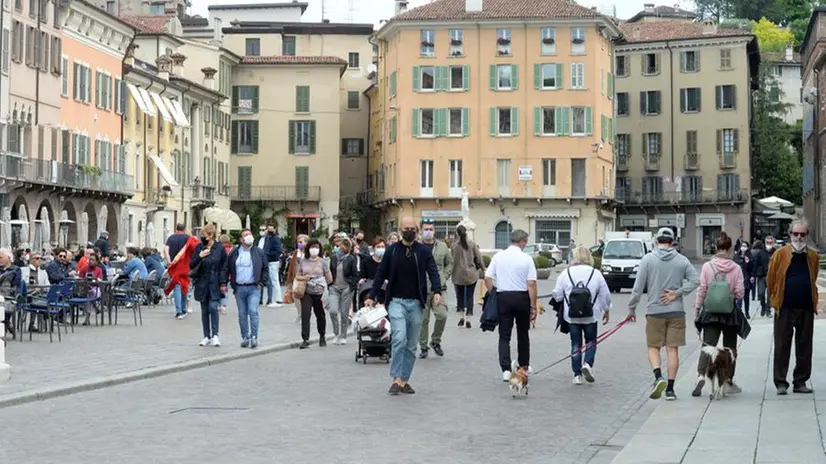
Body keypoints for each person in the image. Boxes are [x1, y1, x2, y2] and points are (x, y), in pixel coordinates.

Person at [364, 217, 442, 395]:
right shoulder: (392, 251)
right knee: (399, 338)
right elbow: (381, 273)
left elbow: (433, 271)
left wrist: (437, 291)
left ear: (417, 231)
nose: (409, 231)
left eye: (412, 228)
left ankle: (404, 380)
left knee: (412, 345)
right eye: (406, 228)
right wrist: (372, 295)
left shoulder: (423, 251)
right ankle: (396, 378)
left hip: (416, 303)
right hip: (396, 302)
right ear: (400, 230)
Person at [627, 227, 700, 401]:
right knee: (672, 349)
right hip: (676, 310)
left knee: (653, 347)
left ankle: (658, 376)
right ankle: (670, 390)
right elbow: (696, 280)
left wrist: (632, 309)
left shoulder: (647, 260)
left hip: (655, 310)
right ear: (673, 241)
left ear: (656, 240)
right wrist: (677, 293)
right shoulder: (682, 260)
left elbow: (637, 288)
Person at [692, 232, 747, 397]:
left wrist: (697, 309)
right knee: (730, 348)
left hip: (710, 313)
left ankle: (701, 375)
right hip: (729, 314)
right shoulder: (736, 268)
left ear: (716, 248)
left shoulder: (707, 267)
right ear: (730, 249)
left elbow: (702, 289)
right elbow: (740, 293)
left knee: (708, 346)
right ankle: (728, 380)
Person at [768, 218, 819, 395]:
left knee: (805, 346)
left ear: (807, 235)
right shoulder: (780, 254)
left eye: (802, 234)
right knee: (782, 345)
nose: (798, 237)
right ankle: (781, 382)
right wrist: (774, 299)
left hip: (805, 306)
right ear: (790, 234)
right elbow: (771, 278)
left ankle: (800, 381)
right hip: (785, 306)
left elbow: (814, 276)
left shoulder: (812, 256)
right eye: (795, 234)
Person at [553, 246, 612, 385]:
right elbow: (606, 295)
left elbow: (557, 295)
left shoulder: (565, 273)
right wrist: (606, 310)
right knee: (591, 341)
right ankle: (588, 363)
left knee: (575, 343)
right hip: (591, 315)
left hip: (572, 315)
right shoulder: (596, 273)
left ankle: (577, 375)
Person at [485, 229, 537, 383]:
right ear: (522, 241)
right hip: (521, 297)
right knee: (523, 333)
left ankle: (506, 369)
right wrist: (533, 306)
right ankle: (523, 366)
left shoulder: (498, 256)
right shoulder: (527, 258)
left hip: (504, 297)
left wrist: (493, 292)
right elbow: (531, 283)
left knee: (504, 335)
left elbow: (487, 277)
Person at [222, 228, 269, 349]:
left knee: (253, 311)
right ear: (241, 239)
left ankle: (254, 337)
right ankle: (245, 337)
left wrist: (262, 283)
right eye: (245, 235)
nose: (248, 236)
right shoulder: (234, 252)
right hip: (239, 287)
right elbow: (227, 268)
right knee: (242, 314)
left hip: (254, 287)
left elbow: (265, 268)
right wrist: (224, 283)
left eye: (250, 234)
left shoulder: (259, 252)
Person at [418, 219, 452, 358]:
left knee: (442, 315)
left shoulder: (442, 247)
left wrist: (444, 275)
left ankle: (436, 341)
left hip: (439, 288)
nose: (428, 232)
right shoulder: (416, 247)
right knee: (423, 320)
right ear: (421, 231)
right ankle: (423, 346)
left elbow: (450, 263)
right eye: (426, 229)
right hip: (421, 288)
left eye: (431, 229)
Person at [190, 224, 228, 347]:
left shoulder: (219, 248)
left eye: (204, 236)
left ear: (211, 235)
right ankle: (206, 336)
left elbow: (224, 267)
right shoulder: (199, 247)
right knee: (204, 310)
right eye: (202, 236)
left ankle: (215, 335)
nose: (202, 238)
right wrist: (200, 256)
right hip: (202, 282)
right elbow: (191, 264)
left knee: (213, 307)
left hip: (215, 282)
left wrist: (223, 283)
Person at [296, 239, 332, 349]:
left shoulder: (323, 262)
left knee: (320, 315)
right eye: (312, 247)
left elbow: (329, 278)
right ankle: (305, 339)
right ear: (308, 249)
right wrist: (305, 278)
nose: (314, 249)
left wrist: (320, 282)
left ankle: (322, 336)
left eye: (316, 247)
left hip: (319, 293)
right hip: (307, 292)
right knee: (305, 315)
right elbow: (297, 276)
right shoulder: (303, 261)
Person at [451, 224, 485, 328]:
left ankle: (461, 317)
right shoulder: (472, 243)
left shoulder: (454, 246)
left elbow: (452, 260)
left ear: (457, 233)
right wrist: (483, 268)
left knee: (459, 296)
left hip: (458, 274)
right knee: (470, 296)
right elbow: (479, 257)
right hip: (471, 273)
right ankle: (469, 319)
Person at [328, 238, 359, 345]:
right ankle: (336, 333)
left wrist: (351, 287)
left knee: (344, 313)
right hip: (334, 288)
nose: (339, 249)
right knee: (333, 311)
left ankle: (343, 335)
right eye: (338, 247)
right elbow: (330, 272)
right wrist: (329, 284)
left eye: (341, 247)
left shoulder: (351, 259)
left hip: (346, 288)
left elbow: (355, 275)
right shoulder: (334, 258)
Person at [165, 223, 191, 318]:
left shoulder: (171, 238)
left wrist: (169, 262)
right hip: (186, 265)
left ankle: (178, 310)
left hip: (174, 265)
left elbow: (166, 250)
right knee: (185, 285)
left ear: (176, 229)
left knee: (177, 286)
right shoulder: (188, 238)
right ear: (184, 229)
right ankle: (184, 309)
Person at [286, 234, 310, 324]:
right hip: (296, 278)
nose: (299, 244)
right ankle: (300, 314)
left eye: (301, 242)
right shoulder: (296, 252)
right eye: (298, 242)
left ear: (307, 243)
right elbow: (291, 266)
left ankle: (304, 315)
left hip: (306, 278)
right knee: (296, 297)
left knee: (305, 298)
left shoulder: (310, 253)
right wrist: (289, 280)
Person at [78, 253, 104, 326]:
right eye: (90, 260)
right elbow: (80, 279)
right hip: (86, 289)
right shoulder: (84, 268)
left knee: (90, 295)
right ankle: (95, 307)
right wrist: (84, 280)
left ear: (96, 261)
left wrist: (94, 280)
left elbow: (100, 281)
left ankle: (87, 318)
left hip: (96, 289)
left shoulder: (99, 270)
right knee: (88, 294)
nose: (90, 261)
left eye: (93, 260)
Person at [750, 240, 771, 317]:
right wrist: (753, 274)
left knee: (770, 295)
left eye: (770, 243)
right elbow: (756, 264)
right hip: (762, 276)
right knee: (761, 294)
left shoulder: (775, 252)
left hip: (771, 276)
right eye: (767, 243)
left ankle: (768, 310)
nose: (769, 244)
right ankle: (763, 305)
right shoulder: (761, 253)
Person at [265, 225, 284, 308]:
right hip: (270, 261)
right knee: (272, 280)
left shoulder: (275, 238)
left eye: (271, 228)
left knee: (274, 280)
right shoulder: (268, 238)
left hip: (273, 261)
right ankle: (275, 299)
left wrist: (268, 254)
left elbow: (279, 250)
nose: (269, 230)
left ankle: (278, 299)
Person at [733, 240, 752, 318]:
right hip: (738, 280)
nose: (743, 248)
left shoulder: (749, 256)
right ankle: (738, 312)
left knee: (746, 298)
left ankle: (747, 312)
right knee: (738, 298)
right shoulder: (736, 256)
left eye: (745, 246)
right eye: (742, 246)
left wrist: (748, 263)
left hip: (746, 279)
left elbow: (751, 269)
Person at [218, 235, 233, 315]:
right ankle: (224, 305)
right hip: (228, 273)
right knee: (225, 288)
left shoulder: (219, 249)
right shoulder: (231, 250)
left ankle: (218, 304)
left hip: (219, 271)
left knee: (218, 287)